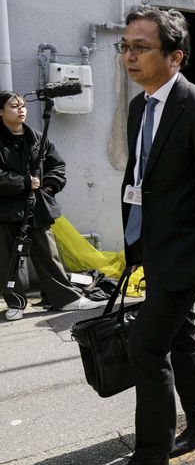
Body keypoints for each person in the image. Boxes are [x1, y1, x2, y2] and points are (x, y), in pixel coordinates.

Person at [113, 7, 195, 465]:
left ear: (175, 55)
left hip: (189, 253)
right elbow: (137, 177)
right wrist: (133, 239)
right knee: (179, 334)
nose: (129, 55)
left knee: (146, 346)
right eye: (125, 46)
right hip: (151, 244)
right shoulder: (138, 106)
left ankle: (150, 457)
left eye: (141, 47)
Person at [0, 91, 104, 320]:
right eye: (13, 106)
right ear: (0, 112)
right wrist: (24, 182)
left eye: (23, 105)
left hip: (36, 208)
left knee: (48, 255)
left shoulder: (36, 137)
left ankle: (67, 299)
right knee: (7, 259)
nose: (21, 110)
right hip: (5, 210)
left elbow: (58, 165)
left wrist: (48, 188)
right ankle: (15, 303)